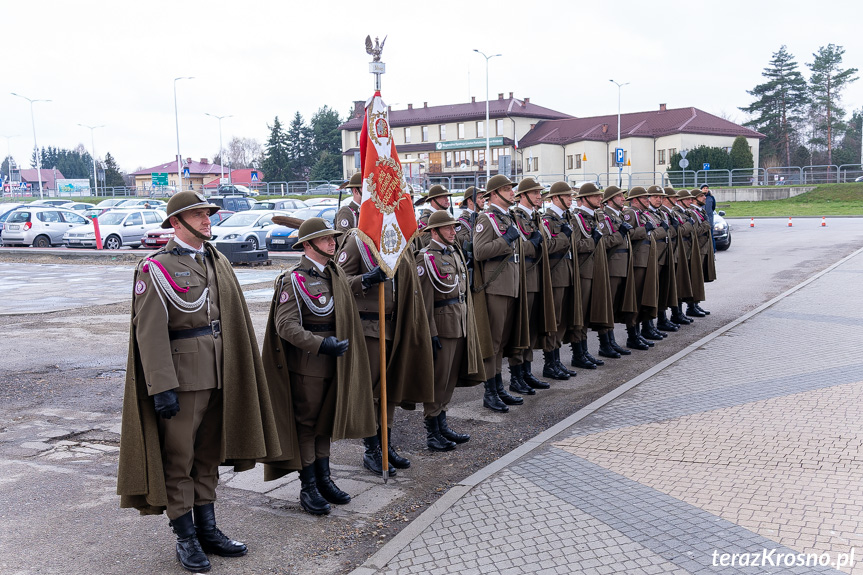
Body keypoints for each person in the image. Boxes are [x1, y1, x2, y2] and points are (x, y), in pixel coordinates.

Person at [117, 191, 281, 573]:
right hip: (183, 377)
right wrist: (162, 387)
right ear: (177, 223)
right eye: (199, 215)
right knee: (180, 459)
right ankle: (185, 537)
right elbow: (150, 333)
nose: (208, 220)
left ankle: (208, 529)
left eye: (208, 214)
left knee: (208, 456)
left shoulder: (216, 260)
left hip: (221, 372)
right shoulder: (155, 268)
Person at [259, 218, 375, 515]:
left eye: (333, 238)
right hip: (309, 364)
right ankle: (308, 486)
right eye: (325, 240)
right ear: (308, 245)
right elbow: (284, 325)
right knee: (308, 426)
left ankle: (324, 479)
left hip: (335, 362)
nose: (333, 242)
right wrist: (320, 345)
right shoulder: (293, 279)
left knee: (327, 421)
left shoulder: (334, 273)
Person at [335, 227, 435, 475]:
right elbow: (337, 280)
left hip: (394, 326)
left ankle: (385, 444)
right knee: (371, 392)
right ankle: (371, 450)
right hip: (368, 327)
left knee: (388, 390)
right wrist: (365, 279)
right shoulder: (357, 242)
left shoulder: (396, 240)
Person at [417, 211, 483, 451]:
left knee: (450, 379)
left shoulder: (453, 252)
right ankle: (432, 432)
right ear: (434, 232)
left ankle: (442, 424)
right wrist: (430, 332)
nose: (453, 231)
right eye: (447, 228)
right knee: (438, 380)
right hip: (442, 325)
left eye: (454, 227)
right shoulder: (426, 259)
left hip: (459, 321)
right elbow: (423, 302)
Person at [472, 174, 528, 413]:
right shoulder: (487, 218)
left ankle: (499, 387)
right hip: (495, 287)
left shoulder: (507, 216)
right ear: (494, 194)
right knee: (492, 342)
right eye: (507, 189)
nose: (512, 192)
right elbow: (479, 251)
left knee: (502, 342)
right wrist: (506, 240)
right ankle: (490, 391)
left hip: (510, 283)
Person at [509, 177, 559, 392]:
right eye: (535, 192)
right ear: (523, 196)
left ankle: (527, 373)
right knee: (521, 329)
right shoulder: (515, 217)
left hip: (537, 275)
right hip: (525, 276)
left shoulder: (533, 217)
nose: (540, 196)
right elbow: (517, 247)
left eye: (540, 192)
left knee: (530, 328)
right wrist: (533, 245)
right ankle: (516, 376)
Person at [540, 182, 584, 374]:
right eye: (567, 196)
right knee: (554, 319)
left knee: (564, 318)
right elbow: (547, 247)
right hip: (556, 273)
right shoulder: (547, 220)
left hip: (568, 271)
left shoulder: (566, 218)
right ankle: (550, 362)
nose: (571, 198)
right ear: (556, 198)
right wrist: (564, 238)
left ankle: (557, 360)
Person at [570, 183, 613, 367]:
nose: (599, 199)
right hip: (583, 271)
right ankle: (578, 354)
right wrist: (592, 241)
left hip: (595, 269)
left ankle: (585, 351)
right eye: (595, 196)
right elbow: (575, 245)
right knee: (581, 314)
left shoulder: (593, 217)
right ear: (584, 198)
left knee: (588, 313)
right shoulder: (576, 218)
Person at [595, 186, 636, 357]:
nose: (623, 199)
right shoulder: (604, 217)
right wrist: (620, 234)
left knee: (616, 304)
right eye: (619, 196)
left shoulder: (617, 216)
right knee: (608, 305)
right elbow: (604, 241)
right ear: (610, 199)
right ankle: (605, 344)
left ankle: (612, 341)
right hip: (612, 265)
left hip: (623, 263)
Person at [414, 184, 454, 249]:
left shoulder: (445, 216)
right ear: (434, 199)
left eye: (447, 197)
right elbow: (426, 242)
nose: (447, 200)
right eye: (443, 197)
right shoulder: (425, 220)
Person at [701, 184, 717, 252]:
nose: (705, 189)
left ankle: (712, 251)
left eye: (706, 188)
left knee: (711, 237)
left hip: (709, 220)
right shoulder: (699, 197)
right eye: (704, 188)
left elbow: (713, 208)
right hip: (701, 221)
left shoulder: (711, 198)